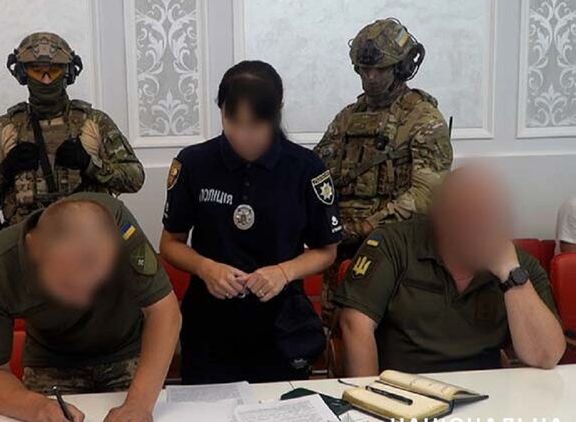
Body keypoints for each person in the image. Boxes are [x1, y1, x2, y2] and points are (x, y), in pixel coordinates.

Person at [160, 61, 342, 384]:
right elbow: (170, 244)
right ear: (221, 111)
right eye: (234, 122)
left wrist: (284, 272)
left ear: (277, 113)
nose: (244, 136)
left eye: (256, 124)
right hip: (210, 325)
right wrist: (205, 268)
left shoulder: (306, 168)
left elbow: (327, 251)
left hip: (282, 325)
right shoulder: (193, 163)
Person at [0, 192, 181, 422]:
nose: (83, 299)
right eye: (67, 284)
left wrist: (139, 404)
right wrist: (36, 407)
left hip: (125, 349)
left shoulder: (116, 225)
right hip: (51, 361)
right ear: (35, 248)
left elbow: (164, 312)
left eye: (96, 283)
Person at [336, 166, 566, 376]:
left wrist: (510, 274)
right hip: (404, 390)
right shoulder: (394, 244)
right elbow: (355, 324)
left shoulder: (519, 266)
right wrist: (368, 396)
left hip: (488, 394)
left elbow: (546, 356)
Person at [313, 18, 453, 329]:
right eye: (364, 69)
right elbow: (317, 175)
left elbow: (425, 197)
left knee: (392, 338)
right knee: (337, 335)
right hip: (341, 255)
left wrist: (364, 227)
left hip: (397, 256)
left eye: (380, 69)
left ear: (401, 67)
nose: (371, 77)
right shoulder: (347, 118)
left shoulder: (423, 119)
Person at [0, 32, 144, 232]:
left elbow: (135, 178)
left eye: (54, 70)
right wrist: (4, 169)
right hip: (25, 238)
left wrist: (90, 164)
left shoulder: (94, 123)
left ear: (67, 73)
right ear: (23, 74)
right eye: (37, 71)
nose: (46, 80)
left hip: (85, 236)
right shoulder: (5, 128)